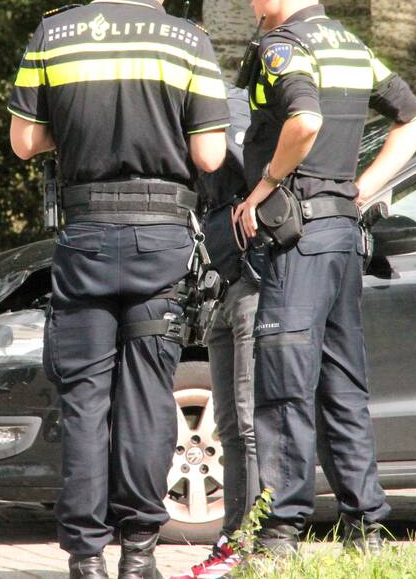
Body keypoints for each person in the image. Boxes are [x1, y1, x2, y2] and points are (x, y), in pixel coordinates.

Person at [8, 0, 229, 579]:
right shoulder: (188, 39)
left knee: (83, 396)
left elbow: (24, 142)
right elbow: (209, 154)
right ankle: (138, 554)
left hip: (84, 239)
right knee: (145, 394)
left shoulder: (55, 32)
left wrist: (72, 138)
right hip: (161, 239)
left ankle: (84, 558)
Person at [231, 0, 416, 554]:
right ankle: (365, 526)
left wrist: (264, 187)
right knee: (343, 383)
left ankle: (281, 531)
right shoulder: (351, 47)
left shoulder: (281, 46)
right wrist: (361, 191)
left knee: (286, 380)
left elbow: (305, 119)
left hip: (298, 238)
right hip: (343, 234)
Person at [172, 86, 260, 579]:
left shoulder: (229, 108)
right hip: (223, 283)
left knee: (247, 422)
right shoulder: (185, 115)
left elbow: (265, 173)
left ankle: (252, 543)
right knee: (229, 424)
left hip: (253, 281)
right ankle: (233, 541)